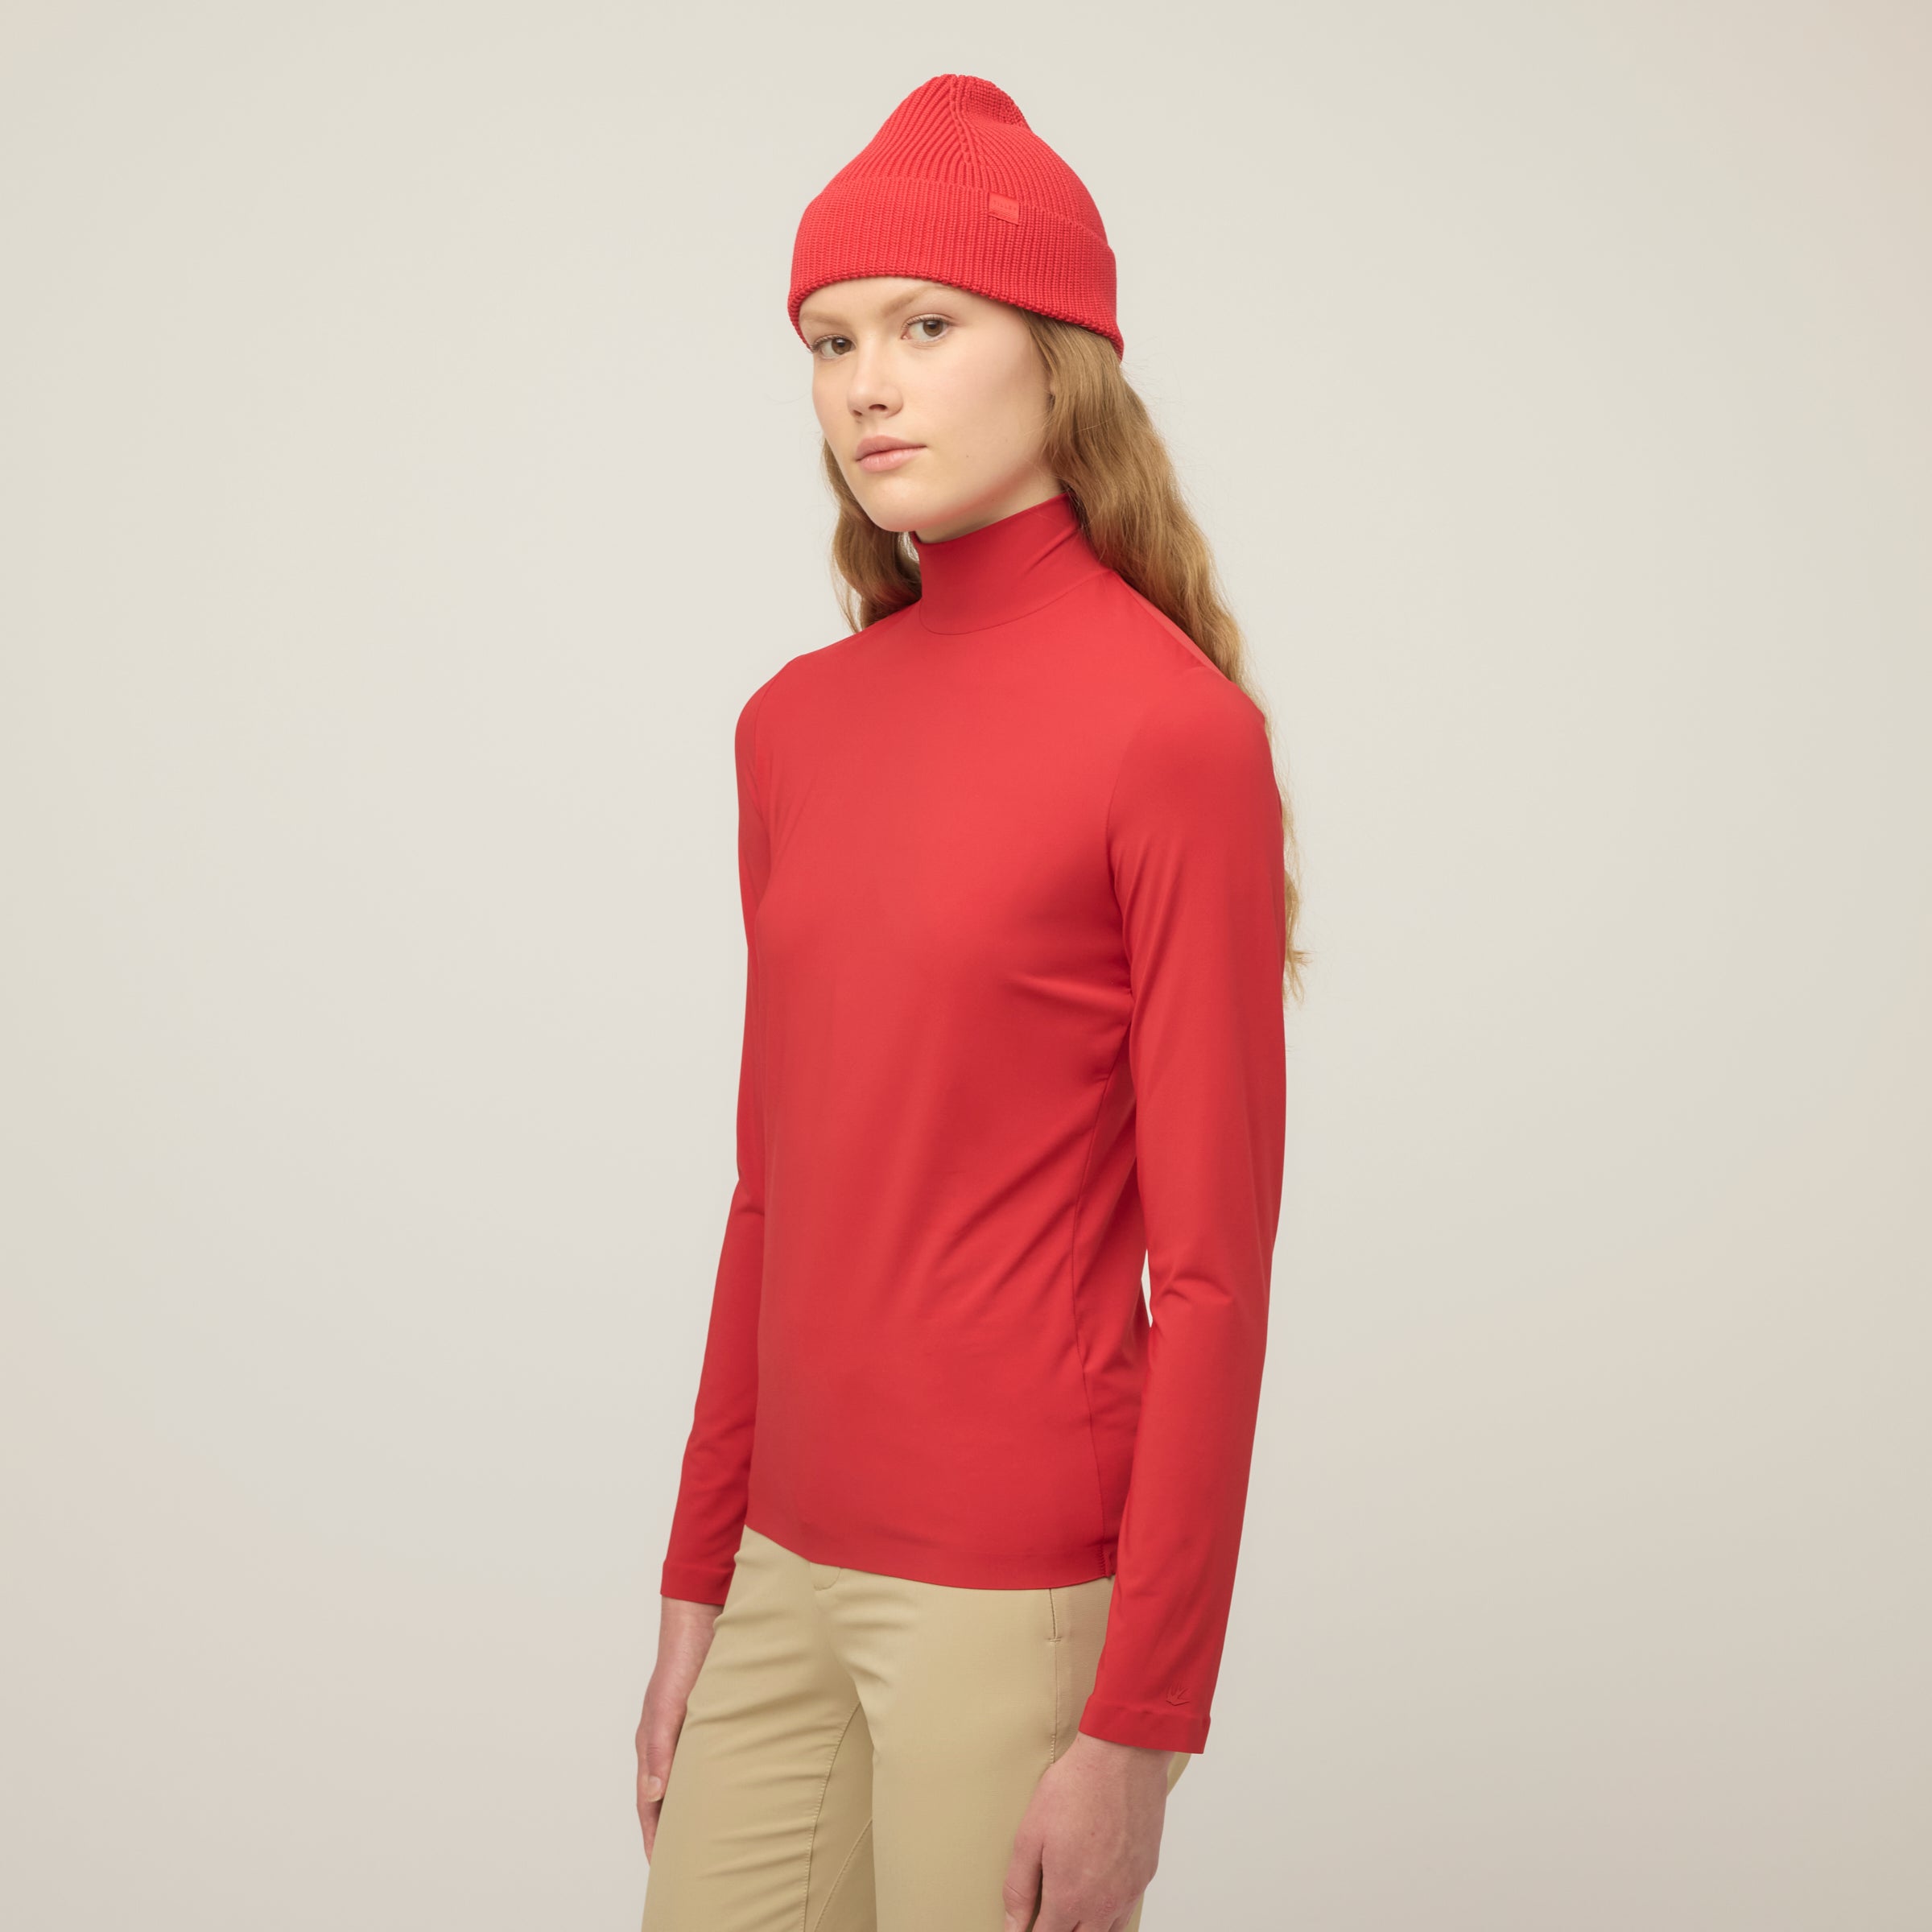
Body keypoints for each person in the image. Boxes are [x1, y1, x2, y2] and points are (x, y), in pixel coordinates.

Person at [635, 72, 1306, 1932]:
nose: (869, 384)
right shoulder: (793, 729)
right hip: (781, 1571)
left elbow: (1216, 1273)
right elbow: (770, 1193)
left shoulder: (1172, 735)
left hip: (1013, 1601)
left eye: (927, 327)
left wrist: (1142, 1728)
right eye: (833, 339)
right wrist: (695, 1595)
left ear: (1061, 361)